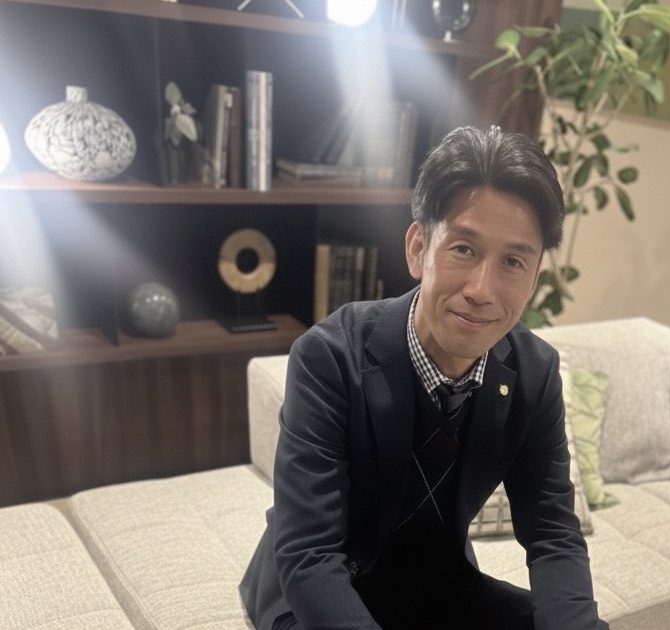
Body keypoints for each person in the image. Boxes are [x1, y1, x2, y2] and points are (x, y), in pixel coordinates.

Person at [240, 126, 608, 630]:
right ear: (418, 248)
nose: (482, 290)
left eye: (512, 261)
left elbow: (552, 534)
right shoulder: (330, 357)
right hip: (318, 589)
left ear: (535, 275)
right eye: (464, 249)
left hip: (434, 581)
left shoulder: (534, 373)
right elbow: (309, 556)